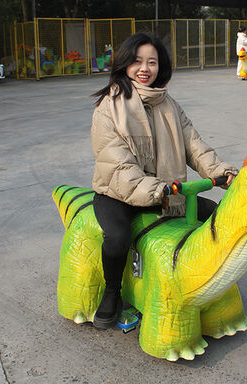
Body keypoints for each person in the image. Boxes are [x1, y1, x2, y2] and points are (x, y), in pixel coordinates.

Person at [91, 32, 238, 329]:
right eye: (137, 61)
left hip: (165, 192)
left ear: (161, 66)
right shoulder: (109, 106)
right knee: (117, 238)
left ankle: (206, 282)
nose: (144, 69)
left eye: (152, 62)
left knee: (215, 215)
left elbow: (194, 145)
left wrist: (220, 172)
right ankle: (112, 292)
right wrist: (158, 190)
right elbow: (118, 163)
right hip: (118, 193)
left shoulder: (169, 105)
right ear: (125, 63)